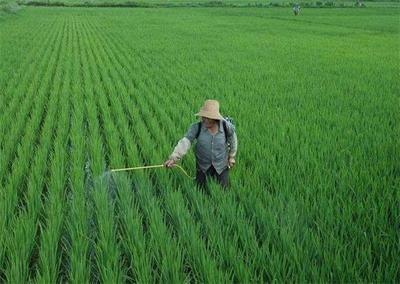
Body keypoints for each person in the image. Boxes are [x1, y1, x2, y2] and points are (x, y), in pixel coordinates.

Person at [164, 99, 238, 189]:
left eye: (208, 118)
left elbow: (233, 141)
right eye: (204, 117)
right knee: (200, 188)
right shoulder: (196, 127)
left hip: (221, 164)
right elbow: (185, 142)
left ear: (215, 118)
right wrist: (174, 158)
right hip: (203, 165)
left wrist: (232, 156)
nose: (205, 120)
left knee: (223, 188)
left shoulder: (226, 127)